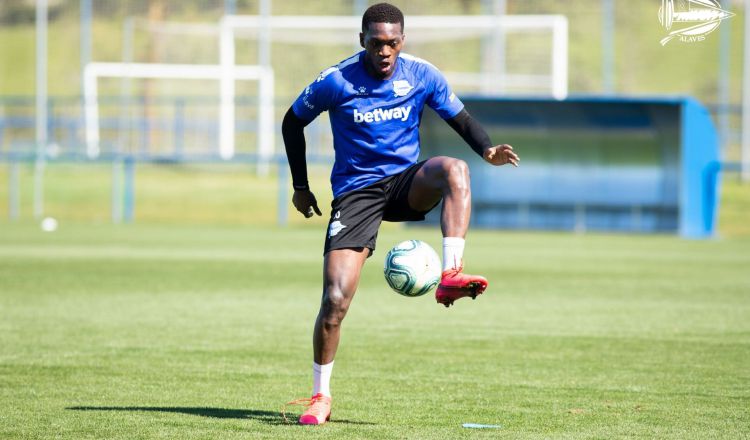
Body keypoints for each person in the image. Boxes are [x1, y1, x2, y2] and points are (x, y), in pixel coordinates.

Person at [281, 2, 519, 425]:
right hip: (356, 194)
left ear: (402, 41)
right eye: (376, 43)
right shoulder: (335, 81)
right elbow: (291, 122)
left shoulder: (421, 74)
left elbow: (459, 117)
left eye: (392, 43)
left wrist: (486, 148)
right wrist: (301, 187)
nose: (385, 51)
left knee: (455, 170)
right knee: (335, 300)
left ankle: (450, 276)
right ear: (362, 42)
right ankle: (320, 397)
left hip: (407, 183)